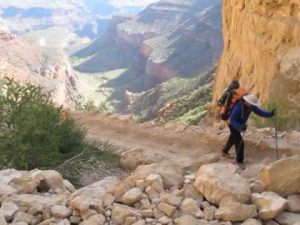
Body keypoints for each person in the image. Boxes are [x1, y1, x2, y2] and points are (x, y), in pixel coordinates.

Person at [221, 94, 276, 167]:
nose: (254, 106)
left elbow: (260, 112)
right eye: (252, 104)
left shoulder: (251, 107)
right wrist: (240, 127)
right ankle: (239, 162)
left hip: (239, 124)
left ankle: (224, 152)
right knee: (239, 141)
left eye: (254, 105)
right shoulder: (239, 106)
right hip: (232, 124)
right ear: (248, 102)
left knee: (233, 138)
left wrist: (270, 114)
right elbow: (232, 120)